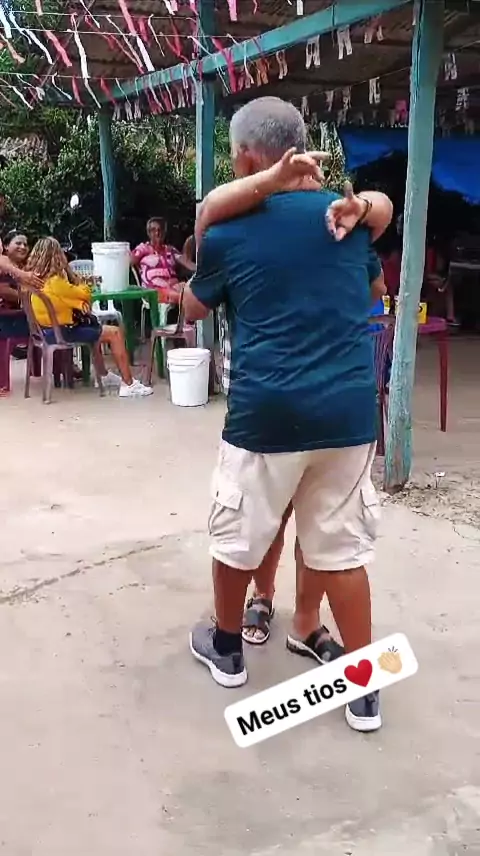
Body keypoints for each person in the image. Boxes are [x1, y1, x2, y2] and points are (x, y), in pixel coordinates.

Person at [185, 97, 393, 733]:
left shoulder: (227, 231)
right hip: (349, 414)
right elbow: (375, 289)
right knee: (342, 547)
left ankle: (226, 647)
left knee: (238, 534)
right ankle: (362, 687)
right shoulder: (347, 218)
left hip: (267, 413)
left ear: (248, 157)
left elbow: (193, 309)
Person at [27, 238, 153, 398]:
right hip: (62, 332)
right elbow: (85, 293)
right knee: (114, 332)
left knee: (96, 328)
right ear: (57, 256)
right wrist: (73, 277)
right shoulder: (56, 282)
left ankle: (103, 375)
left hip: (44, 332)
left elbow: (65, 300)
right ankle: (129, 384)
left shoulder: (34, 281)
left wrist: (78, 303)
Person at [131, 217, 193, 310]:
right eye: (153, 230)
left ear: (164, 232)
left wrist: (203, 269)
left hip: (174, 287)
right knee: (183, 297)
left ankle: (192, 317)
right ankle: (187, 318)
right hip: (153, 291)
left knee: (196, 292)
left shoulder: (170, 250)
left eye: (160, 230)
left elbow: (187, 263)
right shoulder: (143, 249)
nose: (157, 233)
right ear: (148, 233)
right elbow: (130, 261)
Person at [0, 230, 41, 343]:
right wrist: (31, 299)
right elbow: (3, 290)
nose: (23, 247)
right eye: (18, 243)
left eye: (25, 245)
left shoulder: (26, 266)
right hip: (7, 318)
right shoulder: (3, 264)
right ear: (6, 246)